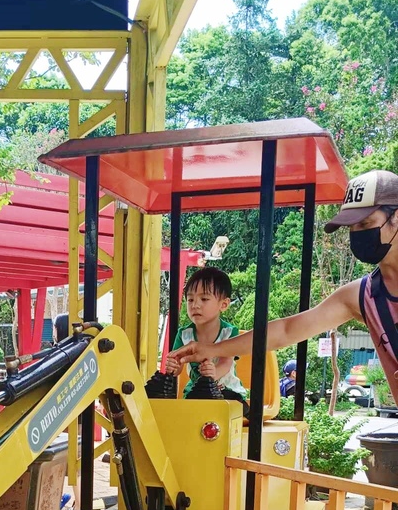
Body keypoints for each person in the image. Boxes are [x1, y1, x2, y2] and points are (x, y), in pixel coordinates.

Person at [167, 170, 398, 409]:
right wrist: (210, 349)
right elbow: (286, 331)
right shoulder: (361, 296)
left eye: (366, 223)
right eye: (352, 227)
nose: (358, 234)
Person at [165, 267, 248, 410]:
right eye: (190, 300)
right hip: (196, 393)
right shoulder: (184, 334)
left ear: (224, 304)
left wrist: (213, 374)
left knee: (230, 407)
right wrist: (173, 367)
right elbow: (177, 366)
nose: (195, 305)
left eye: (204, 299)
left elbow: (226, 363)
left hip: (226, 391)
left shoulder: (229, 332)